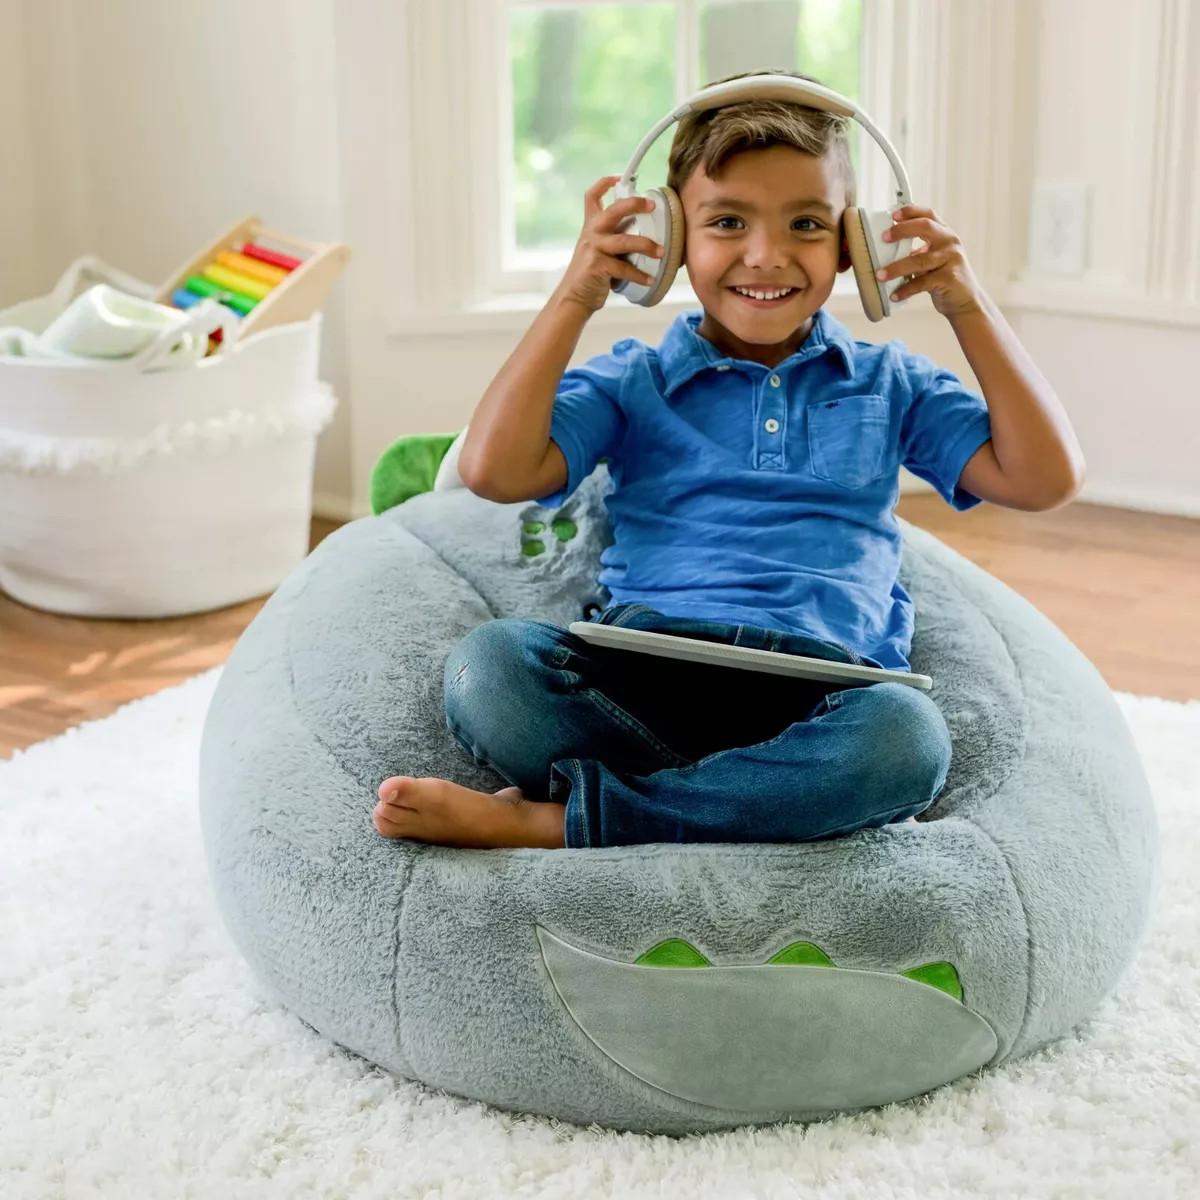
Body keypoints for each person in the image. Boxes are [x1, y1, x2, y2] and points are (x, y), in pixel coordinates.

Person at [373, 70, 1085, 851]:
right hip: (647, 669)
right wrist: (578, 289)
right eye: (727, 222)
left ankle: (571, 821)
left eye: (808, 225)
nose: (766, 255)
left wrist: (967, 302)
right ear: (672, 241)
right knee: (491, 668)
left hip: (824, 688)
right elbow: (493, 472)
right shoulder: (633, 379)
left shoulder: (893, 382)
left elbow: (1043, 478)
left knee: (908, 741)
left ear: (858, 246)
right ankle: (744, 805)